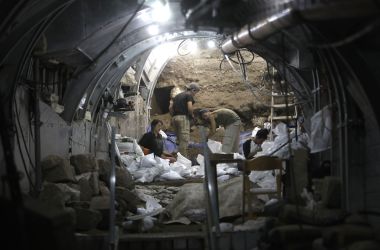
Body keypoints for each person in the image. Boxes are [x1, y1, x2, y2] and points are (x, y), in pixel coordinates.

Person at [169, 82, 200, 158]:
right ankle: (184, 161)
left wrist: (174, 116)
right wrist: (192, 116)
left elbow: (170, 108)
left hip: (174, 118)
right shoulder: (189, 95)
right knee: (184, 140)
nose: (195, 94)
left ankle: (177, 158)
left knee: (179, 140)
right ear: (193, 90)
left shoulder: (177, 96)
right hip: (183, 118)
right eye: (196, 92)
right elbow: (189, 108)